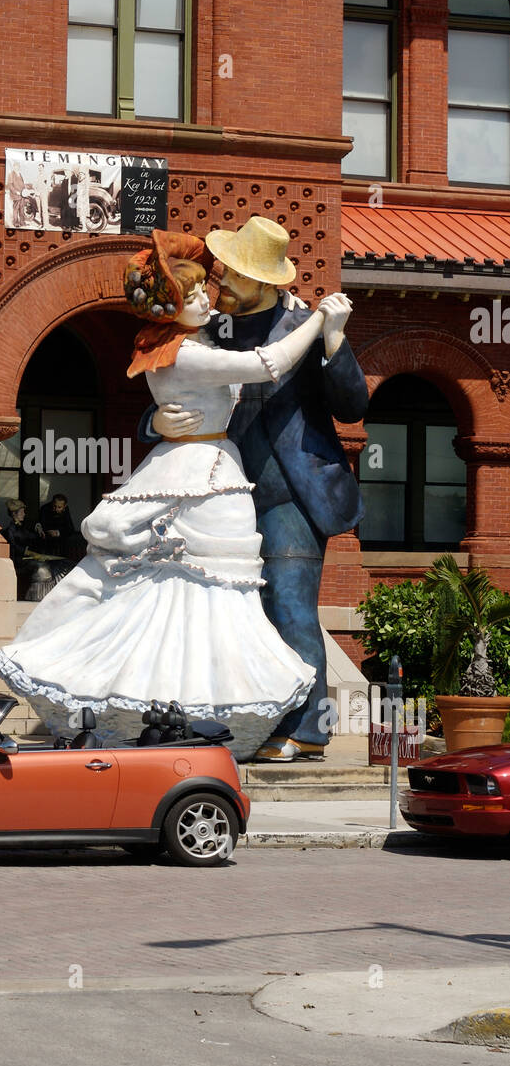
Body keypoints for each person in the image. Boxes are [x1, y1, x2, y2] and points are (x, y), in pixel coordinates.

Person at [0, 231, 349, 757]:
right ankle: (188, 706)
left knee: (239, 601)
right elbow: (254, 369)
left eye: (218, 281)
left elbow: (344, 398)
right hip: (206, 476)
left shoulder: (203, 338)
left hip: (250, 481)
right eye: (201, 289)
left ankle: (280, 724)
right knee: (199, 594)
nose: (214, 290)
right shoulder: (191, 344)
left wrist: (323, 328)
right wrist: (155, 420)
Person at [144, 215, 369, 761]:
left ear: (267, 282)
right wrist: (156, 425)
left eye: (236, 273)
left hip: (291, 495)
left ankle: (309, 730)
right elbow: (169, 394)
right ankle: (225, 722)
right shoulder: (207, 330)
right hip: (221, 494)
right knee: (218, 609)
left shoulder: (308, 323)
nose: (221, 278)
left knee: (289, 607)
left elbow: (354, 406)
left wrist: (335, 343)